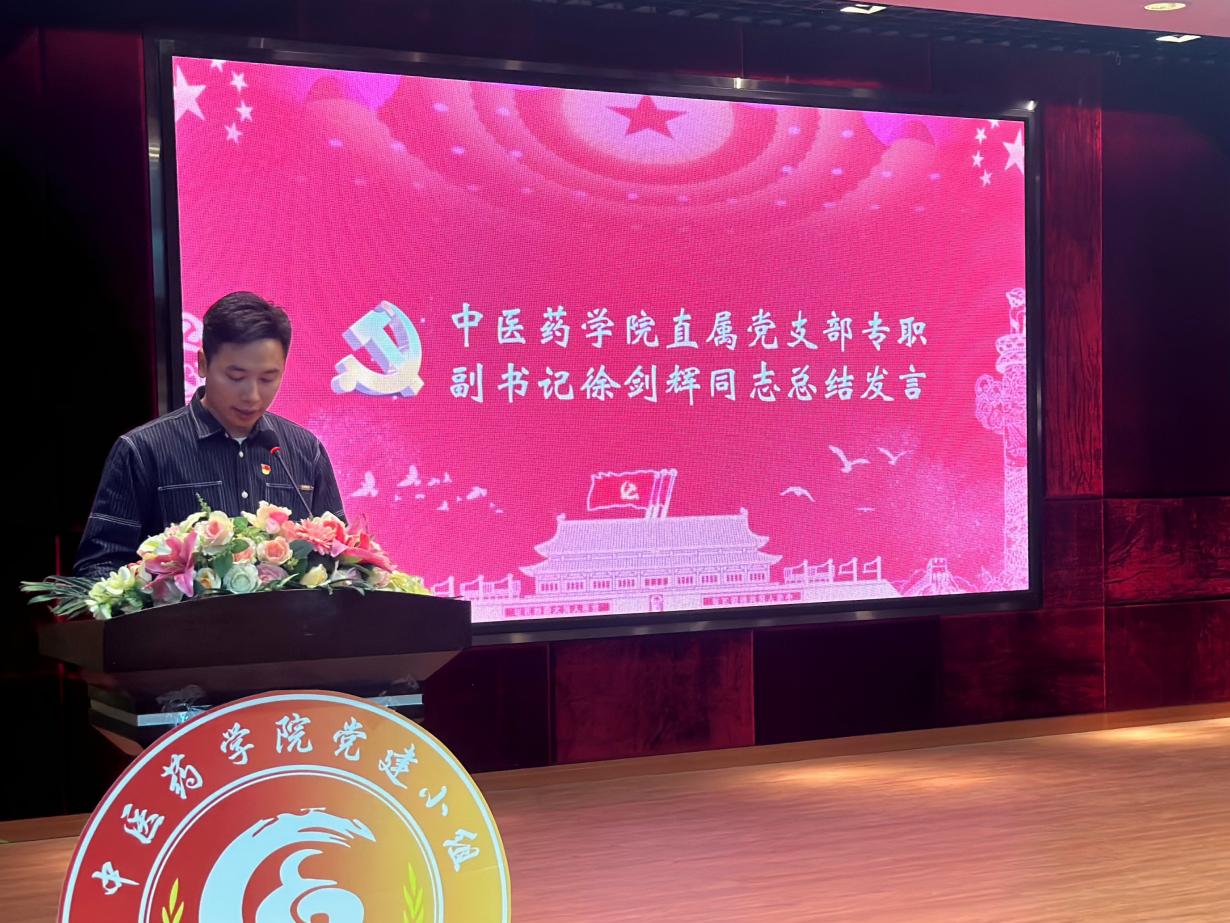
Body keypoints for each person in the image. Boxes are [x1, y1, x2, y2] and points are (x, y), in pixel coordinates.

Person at [74, 292, 346, 579]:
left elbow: (341, 559)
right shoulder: (142, 450)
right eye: (236, 377)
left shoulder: (305, 450)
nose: (252, 395)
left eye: (267, 378)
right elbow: (99, 567)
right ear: (203, 363)